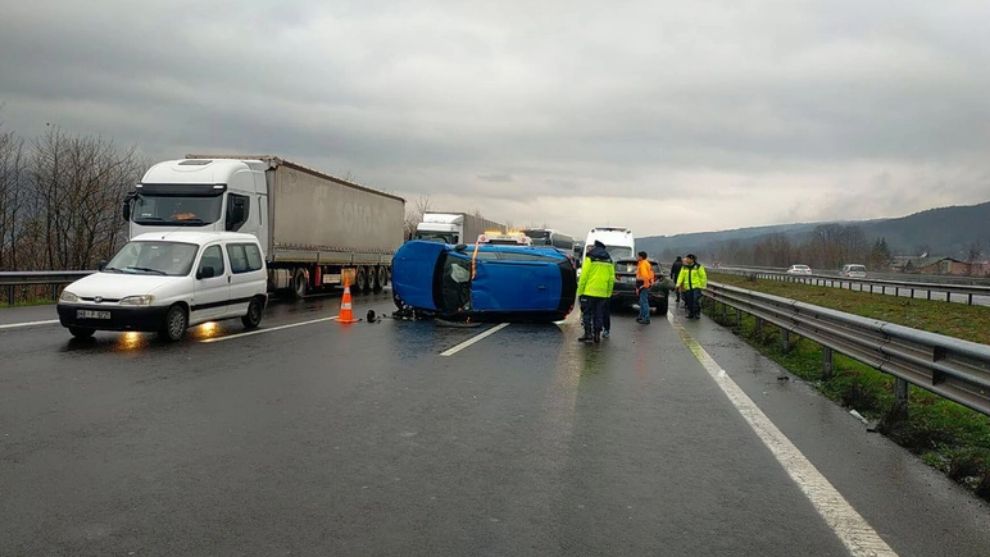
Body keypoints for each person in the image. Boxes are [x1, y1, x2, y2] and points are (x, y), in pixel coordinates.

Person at [576, 240, 615, 343]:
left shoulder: (590, 257)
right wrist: (608, 293)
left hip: (589, 291)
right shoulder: (609, 260)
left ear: (595, 247)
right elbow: (611, 278)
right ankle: (597, 334)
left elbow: (584, 276)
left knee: (587, 313)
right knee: (599, 314)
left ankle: (588, 334)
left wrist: (580, 291)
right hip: (602, 293)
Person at [676, 253, 707, 319]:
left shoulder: (698, 267)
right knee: (689, 301)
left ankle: (697, 313)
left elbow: (703, 276)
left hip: (696, 286)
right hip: (688, 287)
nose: (686, 260)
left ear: (692, 259)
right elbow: (680, 276)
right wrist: (678, 284)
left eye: (688, 259)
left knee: (695, 300)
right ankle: (691, 313)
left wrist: (703, 285)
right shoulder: (684, 267)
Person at [635, 251, 655, 324]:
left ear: (641, 257)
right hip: (644, 285)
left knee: (644, 302)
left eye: (638, 256)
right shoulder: (645, 263)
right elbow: (650, 274)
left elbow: (645, 276)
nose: (637, 257)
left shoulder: (643, 264)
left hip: (643, 285)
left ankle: (646, 318)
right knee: (642, 301)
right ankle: (641, 316)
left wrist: (642, 286)